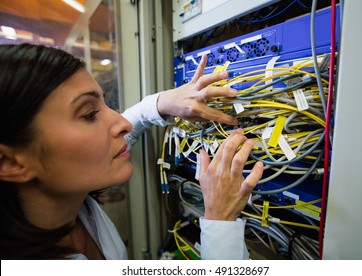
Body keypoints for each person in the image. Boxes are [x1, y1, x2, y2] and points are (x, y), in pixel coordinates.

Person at [0, 43, 264, 260]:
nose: (122, 123)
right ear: (10, 162)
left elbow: (131, 123)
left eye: (105, 104)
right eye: (90, 114)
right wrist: (220, 220)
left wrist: (160, 103)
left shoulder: (73, 207)